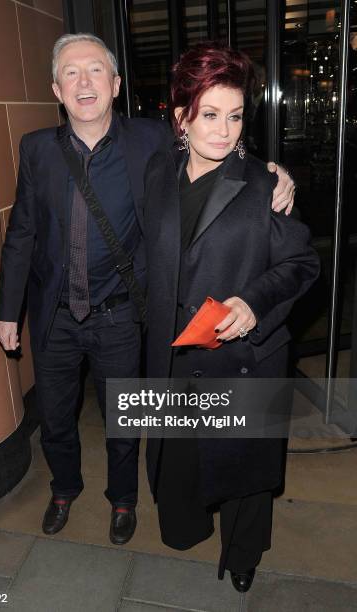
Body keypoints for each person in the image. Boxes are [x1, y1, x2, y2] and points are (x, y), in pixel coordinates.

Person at [0, 33, 295, 544]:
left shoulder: (149, 141)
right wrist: (8, 311)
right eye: (71, 72)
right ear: (56, 87)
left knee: (123, 418)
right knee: (56, 416)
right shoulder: (36, 149)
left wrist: (271, 170)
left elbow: (215, 136)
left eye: (96, 71)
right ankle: (64, 488)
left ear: (115, 84)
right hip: (54, 316)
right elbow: (22, 231)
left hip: (120, 316)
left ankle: (123, 500)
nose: (84, 82)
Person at [143, 42, 320, 592]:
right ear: (181, 117)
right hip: (177, 351)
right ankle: (186, 524)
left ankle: (244, 553)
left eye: (236, 116)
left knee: (245, 470)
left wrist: (255, 302)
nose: (224, 130)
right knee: (179, 453)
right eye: (210, 115)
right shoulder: (157, 170)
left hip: (243, 354)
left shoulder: (264, 184)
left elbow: (302, 262)